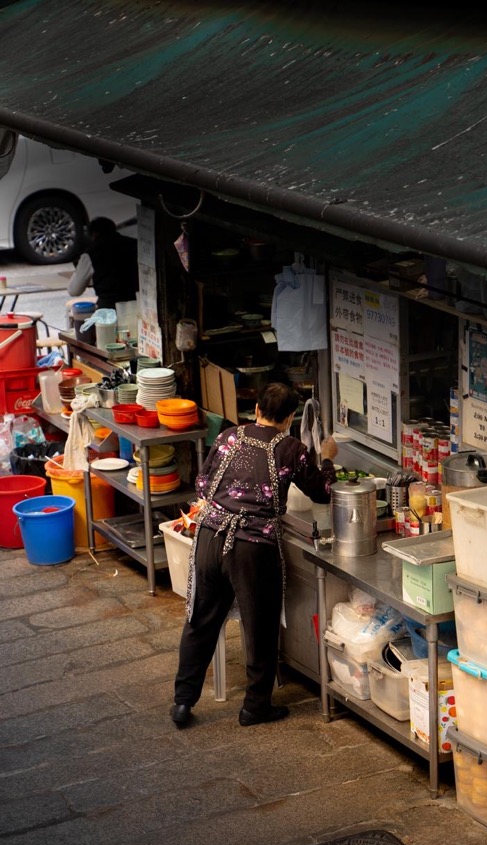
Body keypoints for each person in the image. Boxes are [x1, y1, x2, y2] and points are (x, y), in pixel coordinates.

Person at [171, 382, 338, 729]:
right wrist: (328, 459)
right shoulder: (290, 448)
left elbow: (203, 486)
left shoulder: (230, 436)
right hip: (251, 547)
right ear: (290, 417)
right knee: (259, 627)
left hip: (209, 536)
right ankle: (254, 707)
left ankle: (183, 702)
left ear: (258, 408)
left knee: (200, 621)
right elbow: (323, 492)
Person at [67, 216, 139, 309]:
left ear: (92, 234)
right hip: (137, 304)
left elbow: (74, 290)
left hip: (109, 310)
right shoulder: (134, 244)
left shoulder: (91, 253)